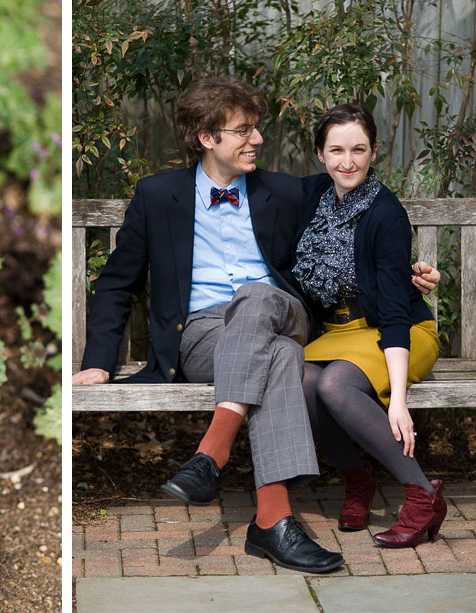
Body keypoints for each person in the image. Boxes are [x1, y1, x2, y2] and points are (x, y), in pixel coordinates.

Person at [73, 78, 439, 573]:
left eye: (257, 128)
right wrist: (98, 362)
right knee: (283, 359)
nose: (258, 140)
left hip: (281, 313)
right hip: (205, 334)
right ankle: (272, 523)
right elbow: (118, 283)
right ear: (207, 137)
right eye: (243, 130)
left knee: (258, 294)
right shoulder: (158, 196)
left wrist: (411, 272)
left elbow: (358, 205)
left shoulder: (283, 191)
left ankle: (212, 451)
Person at [295, 104, 446, 547]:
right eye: (336, 149)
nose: (348, 161)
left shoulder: (385, 213)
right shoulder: (310, 198)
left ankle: (422, 495)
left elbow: (398, 313)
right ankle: (356, 479)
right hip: (338, 335)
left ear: (374, 152)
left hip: (401, 333)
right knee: (299, 378)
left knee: (334, 386)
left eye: (359, 149)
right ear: (320, 154)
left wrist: (397, 400)